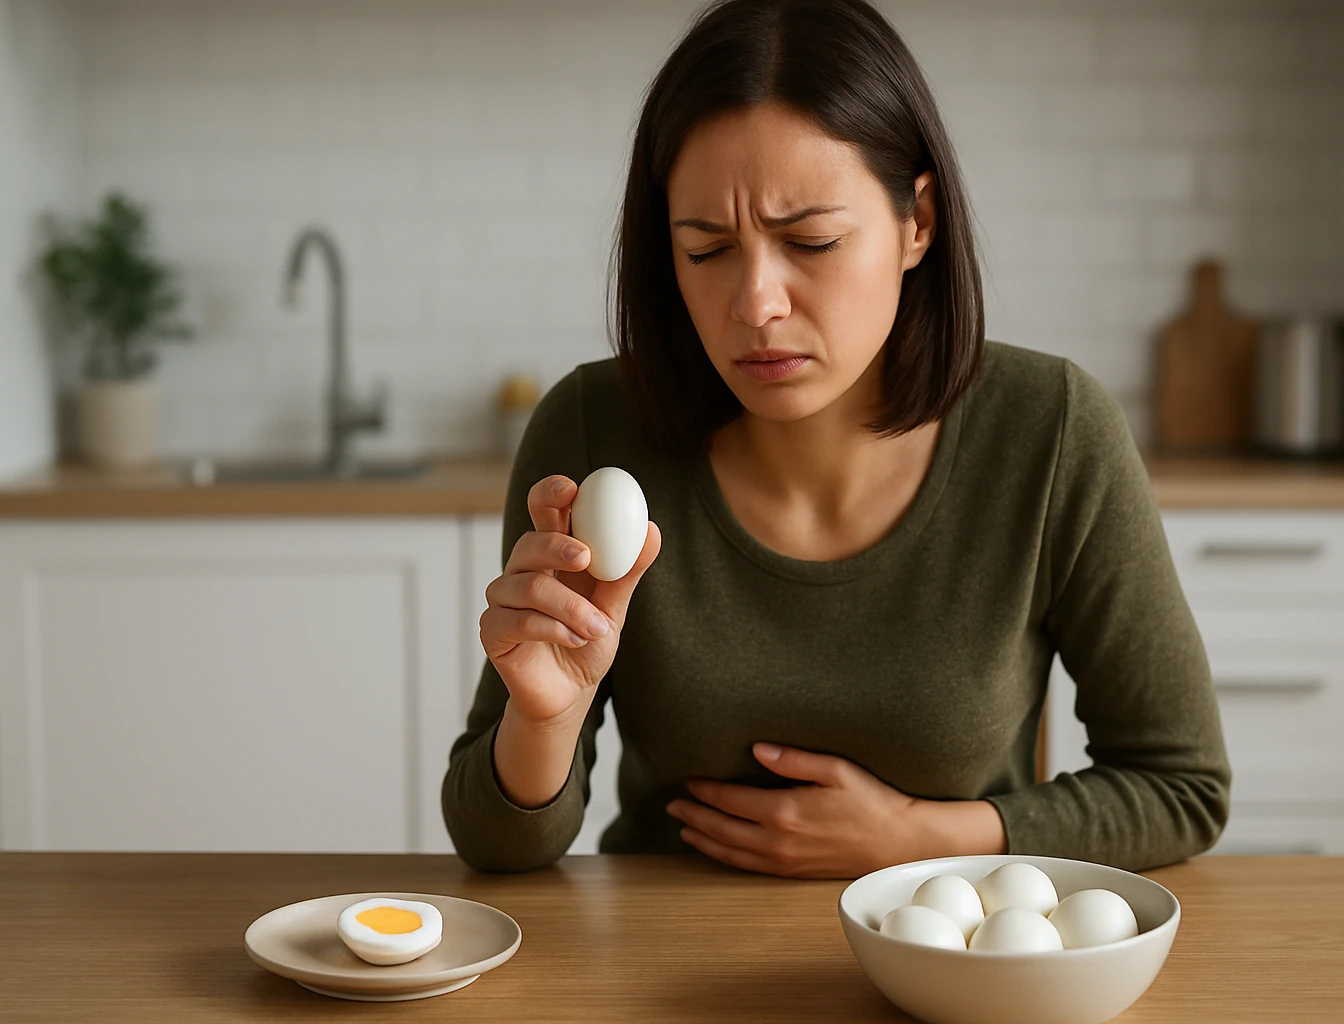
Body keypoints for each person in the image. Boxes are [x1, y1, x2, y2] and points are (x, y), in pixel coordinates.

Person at [442, 0, 1230, 879]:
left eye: (810, 241)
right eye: (706, 251)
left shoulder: (1052, 430)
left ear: (917, 223)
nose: (756, 306)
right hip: (661, 966)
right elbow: (495, 845)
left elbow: (1181, 787)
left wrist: (919, 838)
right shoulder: (593, 431)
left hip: (957, 965)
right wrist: (546, 718)